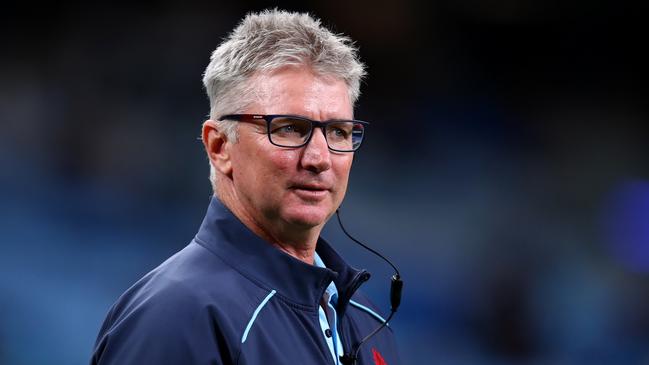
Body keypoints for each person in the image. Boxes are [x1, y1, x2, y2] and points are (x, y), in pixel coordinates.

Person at [90, 9, 400, 365]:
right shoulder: (176, 316)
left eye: (338, 132)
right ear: (220, 147)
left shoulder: (368, 320)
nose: (320, 158)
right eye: (289, 128)